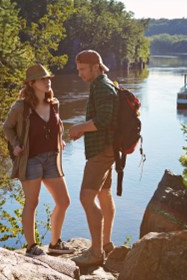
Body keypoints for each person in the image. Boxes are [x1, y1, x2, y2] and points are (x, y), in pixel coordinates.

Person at [3, 63, 73, 257]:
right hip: (31, 159)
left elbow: (56, 127)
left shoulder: (54, 103)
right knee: (32, 202)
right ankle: (32, 246)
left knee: (64, 201)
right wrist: (16, 144)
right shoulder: (21, 107)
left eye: (48, 78)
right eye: (43, 79)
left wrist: (60, 141)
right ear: (32, 83)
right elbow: (7, 127)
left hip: (52, 158)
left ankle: (55, 243)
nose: (47, 81)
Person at [68, 50, 118, 267]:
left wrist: (80, 126)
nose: (79, 74)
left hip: (101, 153)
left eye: (82, 69)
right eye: (78, 69)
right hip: (107, 149)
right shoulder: (101, 85)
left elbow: (105, 120)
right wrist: (84, 131)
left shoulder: (102, 87)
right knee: (103, 193)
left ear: (95, 66)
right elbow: (102, 121)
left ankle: (96, 252)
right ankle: (106, 244)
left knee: (86, 198)